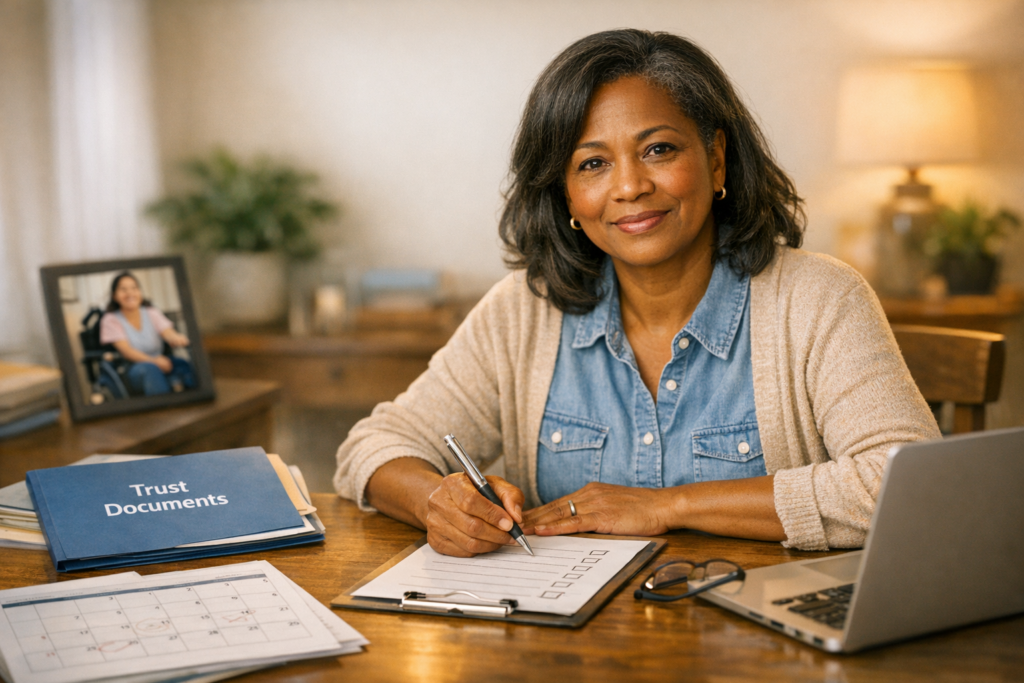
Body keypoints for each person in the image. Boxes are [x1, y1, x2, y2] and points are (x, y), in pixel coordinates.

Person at [333, 29, 939, 557]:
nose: (629, 186)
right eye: (592, 164)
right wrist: (437, 502)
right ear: (566, 195)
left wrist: (666, 506)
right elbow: (373, 448)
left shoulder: (820, 299)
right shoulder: (523, 311)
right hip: (567, 634)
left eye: (658, 150)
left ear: (717, 160)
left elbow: (909, 487)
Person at [99, 271, 196, 396]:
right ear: (114, 296)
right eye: (123, 289)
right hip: (134, 368)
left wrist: (176, 337)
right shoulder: (110, 319)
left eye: (134, 288)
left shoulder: (151, 312)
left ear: (140, 292)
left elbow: (167, 332)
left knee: (183, 364)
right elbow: (127, 351)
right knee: (151, 370)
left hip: (161, 359)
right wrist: (154, 361)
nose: (130, 293)